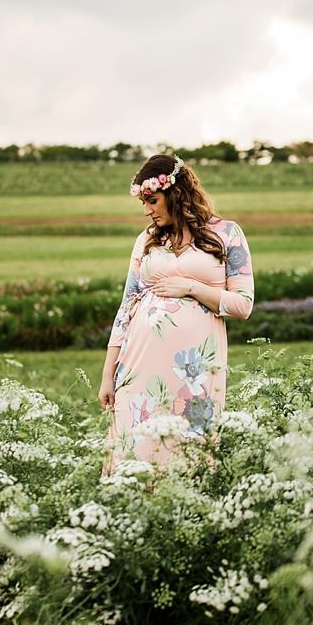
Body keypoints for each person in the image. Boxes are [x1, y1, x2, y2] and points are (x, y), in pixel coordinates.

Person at [99, 154, 256, 470]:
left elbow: (243, 305)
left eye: (153, 201)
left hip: (193, 373)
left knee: (188, 452)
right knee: (133, 452)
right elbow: (126, 306)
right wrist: (108, 374)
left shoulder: (226, 234)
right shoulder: (147, 240)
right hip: (137, 366)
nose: (147, 211)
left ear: (175, 193)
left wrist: (191, 287)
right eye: (143, 203)